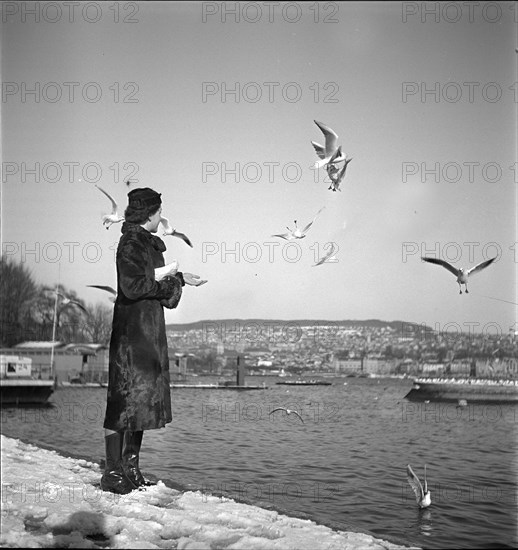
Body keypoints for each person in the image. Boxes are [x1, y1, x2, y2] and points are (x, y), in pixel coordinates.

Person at [101, 187, 202, 494]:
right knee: (123, 399)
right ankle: (113, 472)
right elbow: (131, 286)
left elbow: (157, 288)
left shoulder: (152, 245)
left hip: (149, 332)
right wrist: (172, 281)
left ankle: (131, 467)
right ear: (149, 214)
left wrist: (179, 279)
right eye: (159, 212)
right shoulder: (130, 242)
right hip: (132, 334)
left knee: (141, 400)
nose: (162, 217)